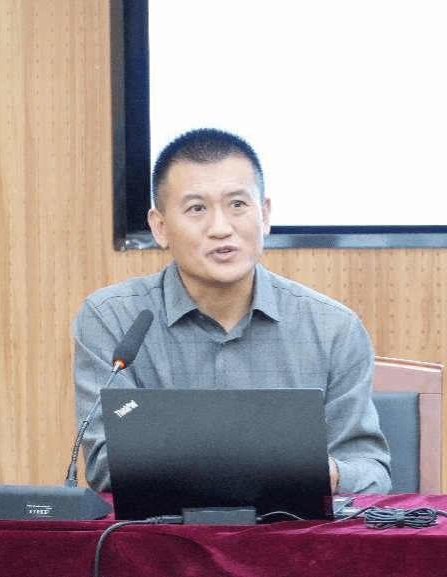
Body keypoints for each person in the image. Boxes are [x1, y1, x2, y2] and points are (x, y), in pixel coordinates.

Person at [72, 128, 391, 494]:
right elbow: (105, 464)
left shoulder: (333, 329)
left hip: (296, 528)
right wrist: (264, 464)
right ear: (160, 227)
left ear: (265, 214)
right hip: (164, 529)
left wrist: (318, 472)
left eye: (237, 205)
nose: (220, 228)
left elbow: (370, 474)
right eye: (197, 209)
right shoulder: (112, 320)